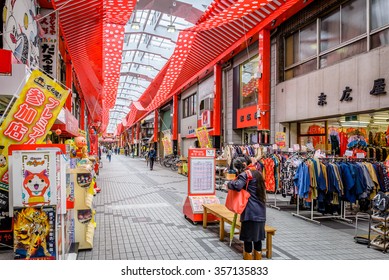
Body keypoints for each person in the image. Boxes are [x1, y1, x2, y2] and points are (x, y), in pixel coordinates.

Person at [227, 157, 266, 260]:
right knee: (258, 240)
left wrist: (229, 183)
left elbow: (238, 186)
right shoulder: (258, 173)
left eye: (237, 168)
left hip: (250, 212)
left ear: (243, 165)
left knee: (248, 240)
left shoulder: (246, 174)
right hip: (261, 212)